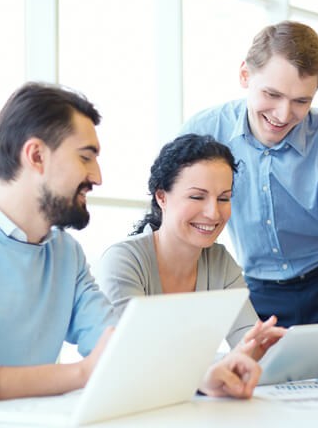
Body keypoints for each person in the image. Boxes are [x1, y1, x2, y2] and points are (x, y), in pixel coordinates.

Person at [0, 83, 260, 425]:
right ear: (36, 156)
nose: (97, 176)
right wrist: (79, 374)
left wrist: (201, 376)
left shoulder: (65, 254)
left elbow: (120, 346)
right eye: (85, 157)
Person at [180, 21, 318, 376]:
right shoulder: (204, 133)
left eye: (301, 101)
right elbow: (175, 228)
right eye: (272, 94)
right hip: (255, 293)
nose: (283, 115)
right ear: (245, 75)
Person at [97, 134, 285, 362]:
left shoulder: (220, 261)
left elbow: (249, 346)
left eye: (223, 199)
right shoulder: (124, 261)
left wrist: (273, 347)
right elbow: (134, 357)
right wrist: (224, 364)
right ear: (162, 197)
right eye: (197, 197)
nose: (213, 213)